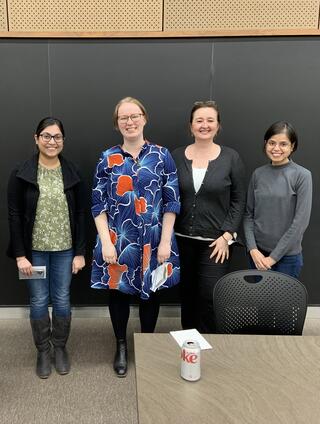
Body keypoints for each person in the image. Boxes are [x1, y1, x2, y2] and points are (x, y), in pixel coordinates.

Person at [91, 97, 180, 377]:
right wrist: (106, 241)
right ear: (117, 124)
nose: (129, 122)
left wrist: (165, 241)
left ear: (144, 118)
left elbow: (172, 201)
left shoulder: (161, 155)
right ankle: (121, 345)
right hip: (118, 240)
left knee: (151, 294)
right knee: (118, 294)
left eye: (134, 116)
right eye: (123, 118)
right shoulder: (107, 158)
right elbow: (97, 204)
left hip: (154, 240)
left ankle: (147, 344)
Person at [7, 117, 86, 379]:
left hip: (65, 249)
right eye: (47, 136)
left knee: (62, 298)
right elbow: (15, 215)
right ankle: (43, 350)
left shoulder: (72, 173)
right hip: (34, 252)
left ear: (63, 140)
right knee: (39, 300)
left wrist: (80, 252)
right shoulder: (22, 173)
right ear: (36, 138)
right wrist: (20, 255)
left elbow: (81, 215)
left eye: (57, 137)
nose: (52, 142)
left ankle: (60, 348)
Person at [172, 100, 246, 333]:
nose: (204, 125)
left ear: (218, 126)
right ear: (191, 126)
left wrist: (227, 235)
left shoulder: (231, 158)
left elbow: (239, 200)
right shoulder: (175, 156)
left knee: (209, 294)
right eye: (199, 120)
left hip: (216, 242)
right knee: (187, 293)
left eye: (210, 120)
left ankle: (210, 342)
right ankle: (188, 341)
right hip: (181, 239)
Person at [244, 121, 312, 278]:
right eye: (272, 143)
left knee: (282, 303)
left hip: (287, 259)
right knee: (259, 302)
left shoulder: (302, 176)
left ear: (292, 146)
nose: (276, 149)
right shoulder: (258, 174)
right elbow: (248, 215)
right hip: (258, 256)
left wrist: (273, 257)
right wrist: (252, 249)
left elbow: (300, 222)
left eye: (283, 144)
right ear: (265, 143)